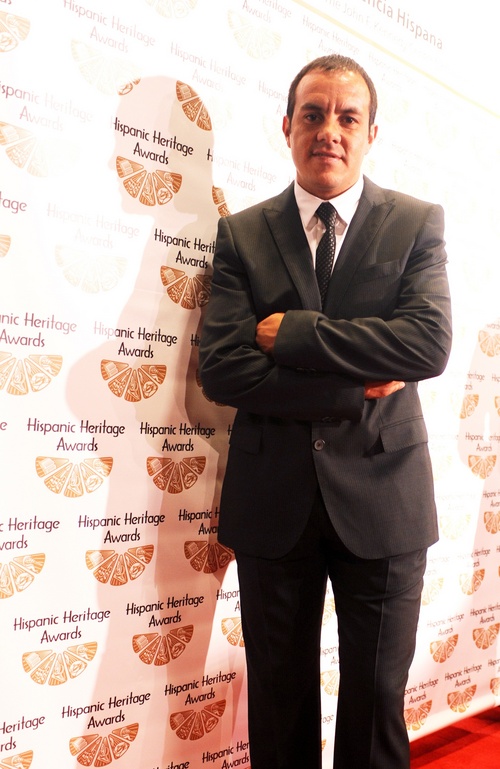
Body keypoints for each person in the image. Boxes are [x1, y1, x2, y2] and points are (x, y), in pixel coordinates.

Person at [199, 54, 452, 769]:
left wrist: (297, 335)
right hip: (273, 499)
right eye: (312, 114)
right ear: (287, 127)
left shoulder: (416, 223)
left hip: (386, 497)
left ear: (371, 133)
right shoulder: (242, 233)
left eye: (347, 117)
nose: (329, 131)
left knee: (375, 704)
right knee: (278, 704)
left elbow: (426, 343)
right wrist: (350, 389)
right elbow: (224, 367)